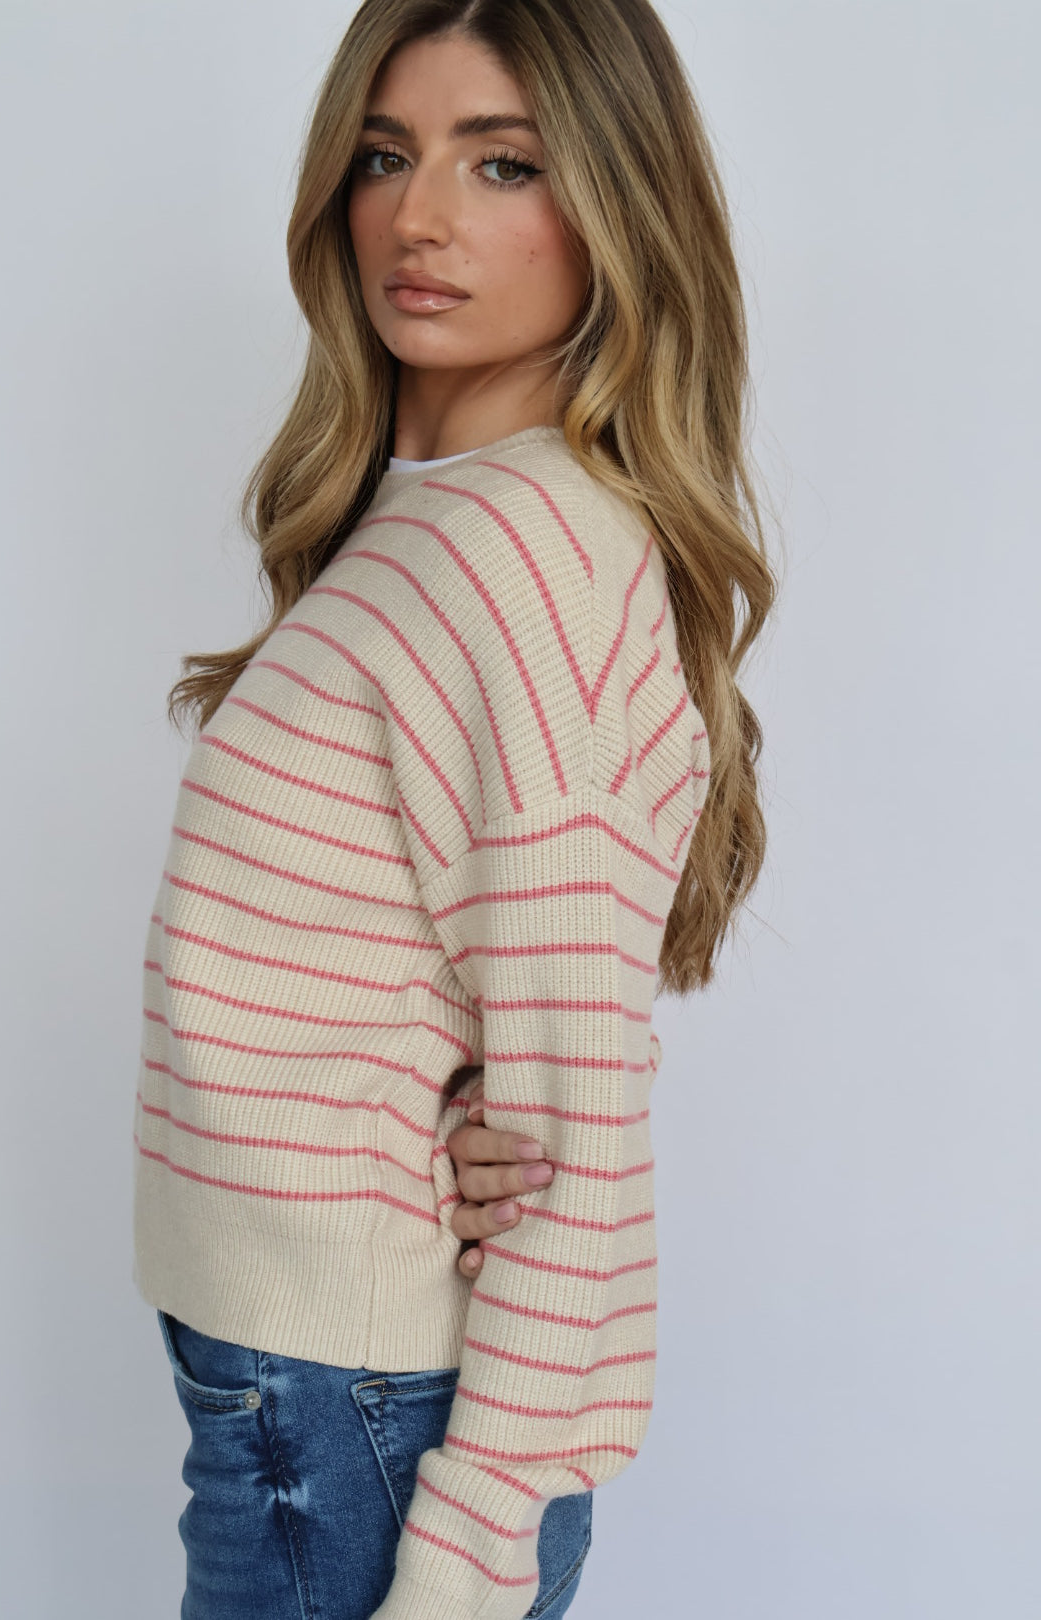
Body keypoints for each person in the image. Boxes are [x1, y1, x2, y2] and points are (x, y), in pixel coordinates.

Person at [132, 3, 777, 1617]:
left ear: (618, 206)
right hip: (307, 1385)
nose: (417, 218)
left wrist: (470, 1556)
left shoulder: (523, 560)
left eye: (503, 165)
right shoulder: (424, 526)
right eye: (384, 156)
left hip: (365, 1418)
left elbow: (575, 1139)